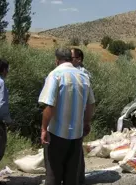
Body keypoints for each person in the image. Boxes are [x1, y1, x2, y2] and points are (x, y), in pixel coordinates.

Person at [38, 47, 95, 185]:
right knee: (72, 174)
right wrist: (86, 122)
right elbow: (91, 104)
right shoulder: (83, 76)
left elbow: (49, 105)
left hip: (57, 133)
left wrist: (44, 129)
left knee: (53, 173)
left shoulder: (55, 75)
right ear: (70, 59)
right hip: (76, 134)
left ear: (57, 60)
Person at [71, 48, 90, 185]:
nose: (69, 60)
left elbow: (89, 100)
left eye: (71, 57)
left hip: (78, 117)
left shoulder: (83, 75)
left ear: (79, 59)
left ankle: (78, 178)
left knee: (76, 148)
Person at [0, 59, 12, 163]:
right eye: (7, 69)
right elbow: (2, 104)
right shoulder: (1, 82)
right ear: (3, 70)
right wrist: (8, 120)